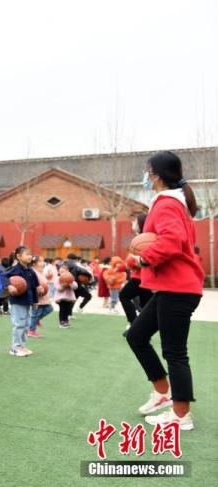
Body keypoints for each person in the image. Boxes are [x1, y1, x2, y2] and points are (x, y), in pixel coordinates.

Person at [126, 151, 204, 431]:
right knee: (136, 335)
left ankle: (181, 416)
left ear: (155, 174)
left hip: (179, 288)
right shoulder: (171, 202)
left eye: (147, 172)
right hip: (171, 287)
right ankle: (163, 393)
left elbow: (172, 241)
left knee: (175, 353)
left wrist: (143, 258)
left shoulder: (168, 203)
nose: (145, 177)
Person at [1, 246, 40, 357]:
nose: (30, 256)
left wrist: (35, 301)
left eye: (30, 254)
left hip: (28, 301)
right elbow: (3, 276)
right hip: (17, 301)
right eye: (27, 254)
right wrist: (9, 286)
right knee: (19, 324)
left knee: (26, 325)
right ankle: (15, 347)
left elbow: (34, 288)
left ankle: (22, 346)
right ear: (18, 256)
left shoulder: (31, 271)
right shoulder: (15, 269)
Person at [120, 213, 153, 337]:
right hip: (143, 278)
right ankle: (142, 330)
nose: (132, 223)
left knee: (124, 295)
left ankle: (134, 325)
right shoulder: (142, 238)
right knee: (146, 307)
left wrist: (130, 263)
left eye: (134, 221)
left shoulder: (145, 239)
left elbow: (143, 260)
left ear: (141, 223)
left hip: (141, 278)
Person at [29, 256, 53, 337]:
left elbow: (44, 281)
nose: (43, 262)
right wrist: (38, 288)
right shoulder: (33, 271)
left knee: (49, 309)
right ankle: (31, 330)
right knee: (35, 313)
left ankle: (37, 320)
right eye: (41, 261)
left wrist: (48, 279)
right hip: (37, 296)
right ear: (35, 263)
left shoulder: (41, 271)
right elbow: (31, 283)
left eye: (43, 261)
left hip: (44, 296)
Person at [54, 263, 78, 329]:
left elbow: (75, 287)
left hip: (69, 298)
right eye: (61, 272)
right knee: (62, 309)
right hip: (61, 298)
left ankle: (66, 321)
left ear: (68, 272)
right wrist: (63, 285)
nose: (62, 273)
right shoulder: (57, 279)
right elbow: (58, 288)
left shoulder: (71, 279)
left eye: (64, 272)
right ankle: (62, 322)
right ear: (58, 272)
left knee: (68, 310)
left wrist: (70, 283)